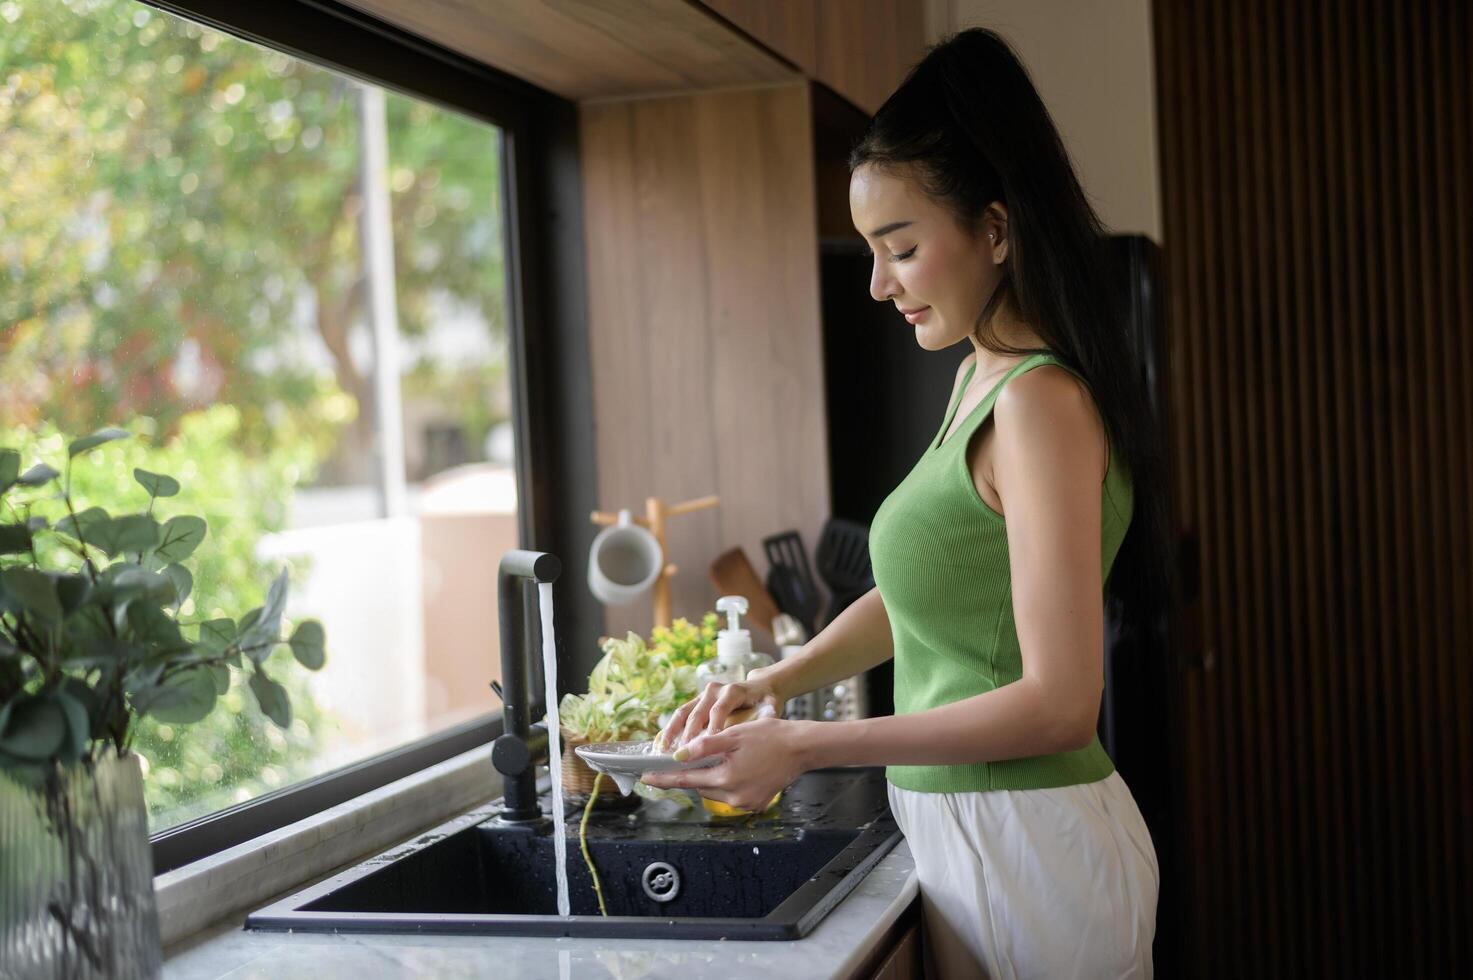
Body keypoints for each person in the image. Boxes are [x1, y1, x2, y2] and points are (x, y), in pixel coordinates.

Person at [642, 27, 1168, 980]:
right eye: (871, 253)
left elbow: (1057, 704)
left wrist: (805, 744)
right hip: (977, 836)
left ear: (995, 231)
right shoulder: (977, 378)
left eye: (902, 249)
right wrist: (779, 680)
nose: (880, 284)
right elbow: (932, 590)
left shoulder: (1038, 402)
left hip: (1030, 842)